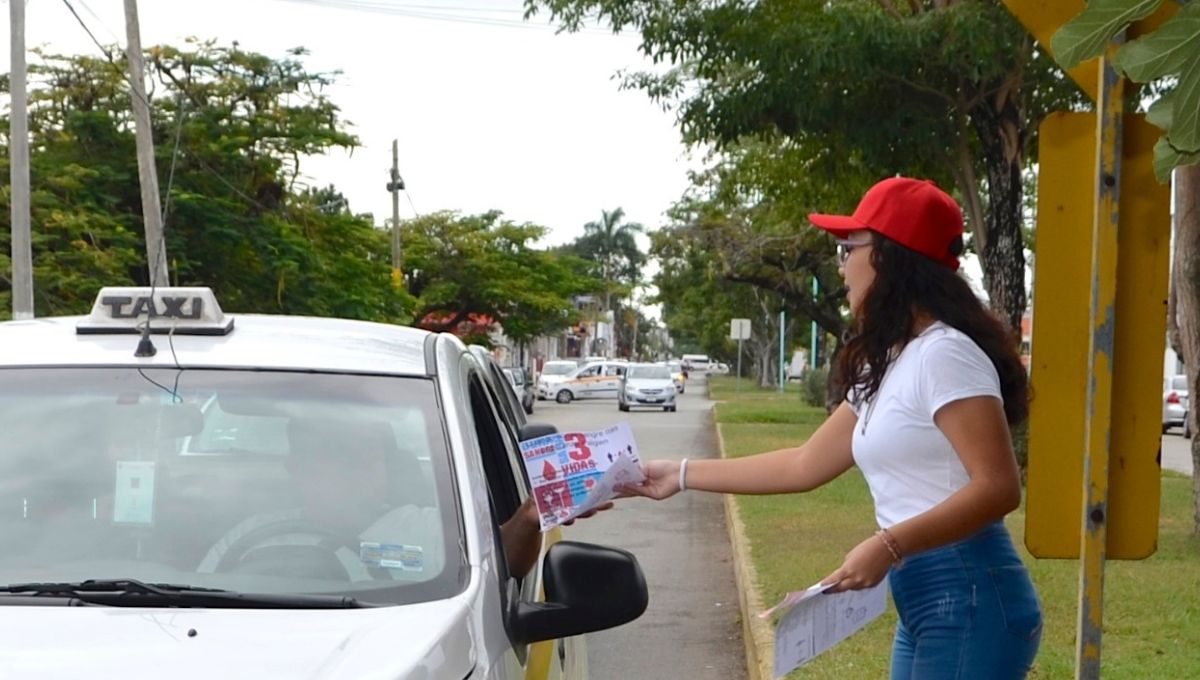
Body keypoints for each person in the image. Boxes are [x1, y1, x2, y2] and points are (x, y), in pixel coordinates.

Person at [620, 177, 1042, 679]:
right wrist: (681, 473)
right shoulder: (891, 359)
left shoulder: (945, 353)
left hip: (968, 592)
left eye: (848, 248)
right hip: (923, 594)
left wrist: (890, 544)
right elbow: (804, 463)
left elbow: (998, 487)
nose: (841, 265)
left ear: (889, 256)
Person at [199, 416, 584, 581]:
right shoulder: (251, 534)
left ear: (388, 468)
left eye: (362, 458)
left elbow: (506, 564)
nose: (346, 473)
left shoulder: (430, 528)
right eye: (327, 459)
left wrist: (528, 518)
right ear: (295, 469)